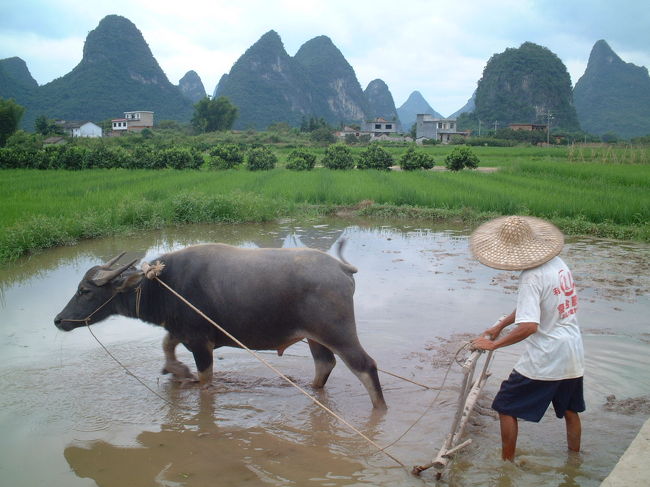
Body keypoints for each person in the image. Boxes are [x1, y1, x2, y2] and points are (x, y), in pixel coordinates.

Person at [469, 215, 585, 461]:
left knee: (505, 405)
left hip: (548, 355)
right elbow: (533, 307)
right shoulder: (558, 263)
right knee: (570, 409)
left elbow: (529, 326)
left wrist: (493, 344)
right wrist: (501, 325)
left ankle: (506, 465)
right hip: (573, 351)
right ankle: (574, 460)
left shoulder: (531, 276)